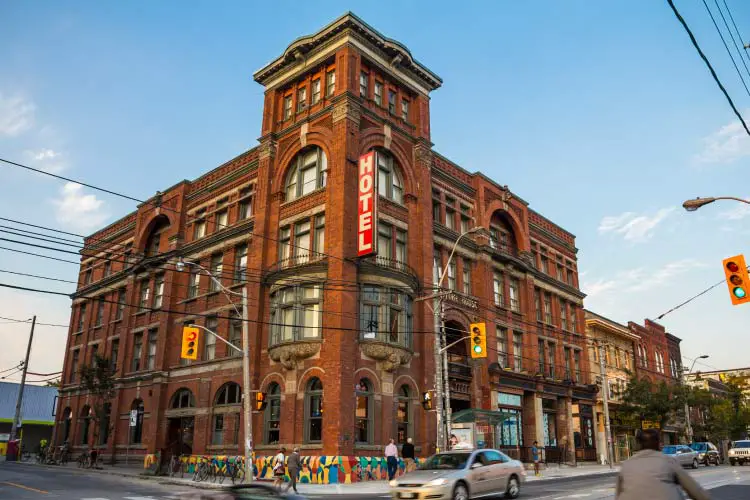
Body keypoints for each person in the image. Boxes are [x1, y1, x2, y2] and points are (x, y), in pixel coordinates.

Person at [616, 429, 710, 500]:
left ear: (639, 444)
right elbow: (695, 491)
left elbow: (618, 495)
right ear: (658, 443)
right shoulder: (668, 461)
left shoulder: (626, 465)